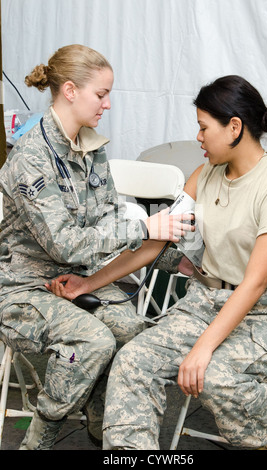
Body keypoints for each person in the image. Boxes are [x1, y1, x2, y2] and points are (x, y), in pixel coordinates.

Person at [50, 75, 267, 450]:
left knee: (215, 376)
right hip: (204, 303)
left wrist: (202, 348)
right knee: (132, 362)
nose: (198, 137)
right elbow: (155, 245)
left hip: (263, 313)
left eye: (203, 128)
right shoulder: (205, 174)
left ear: (234, 127)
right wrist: (88, 284)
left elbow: (255, 284)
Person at [0, 44, 193, 450]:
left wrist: (180, 260)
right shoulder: (32, 158)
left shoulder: (91, 147)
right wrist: (144, 226)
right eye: (101, 94)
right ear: (70, 91)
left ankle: (108, 432)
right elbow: (67, 243)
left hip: (76, 278)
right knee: (93, 342)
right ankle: (40, 436)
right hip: (22, 288)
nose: (107, 104)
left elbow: (105, 221)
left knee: (134, 336)